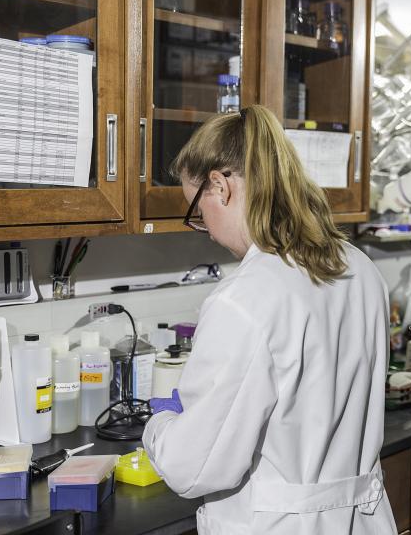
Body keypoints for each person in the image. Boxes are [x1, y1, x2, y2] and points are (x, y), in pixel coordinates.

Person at [143, 105, 396, 535]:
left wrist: (160, 422)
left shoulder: (246, 297)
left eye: (198, 214)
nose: (206, 228)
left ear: (220, 186)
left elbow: (194, 467)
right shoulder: (359, 268)